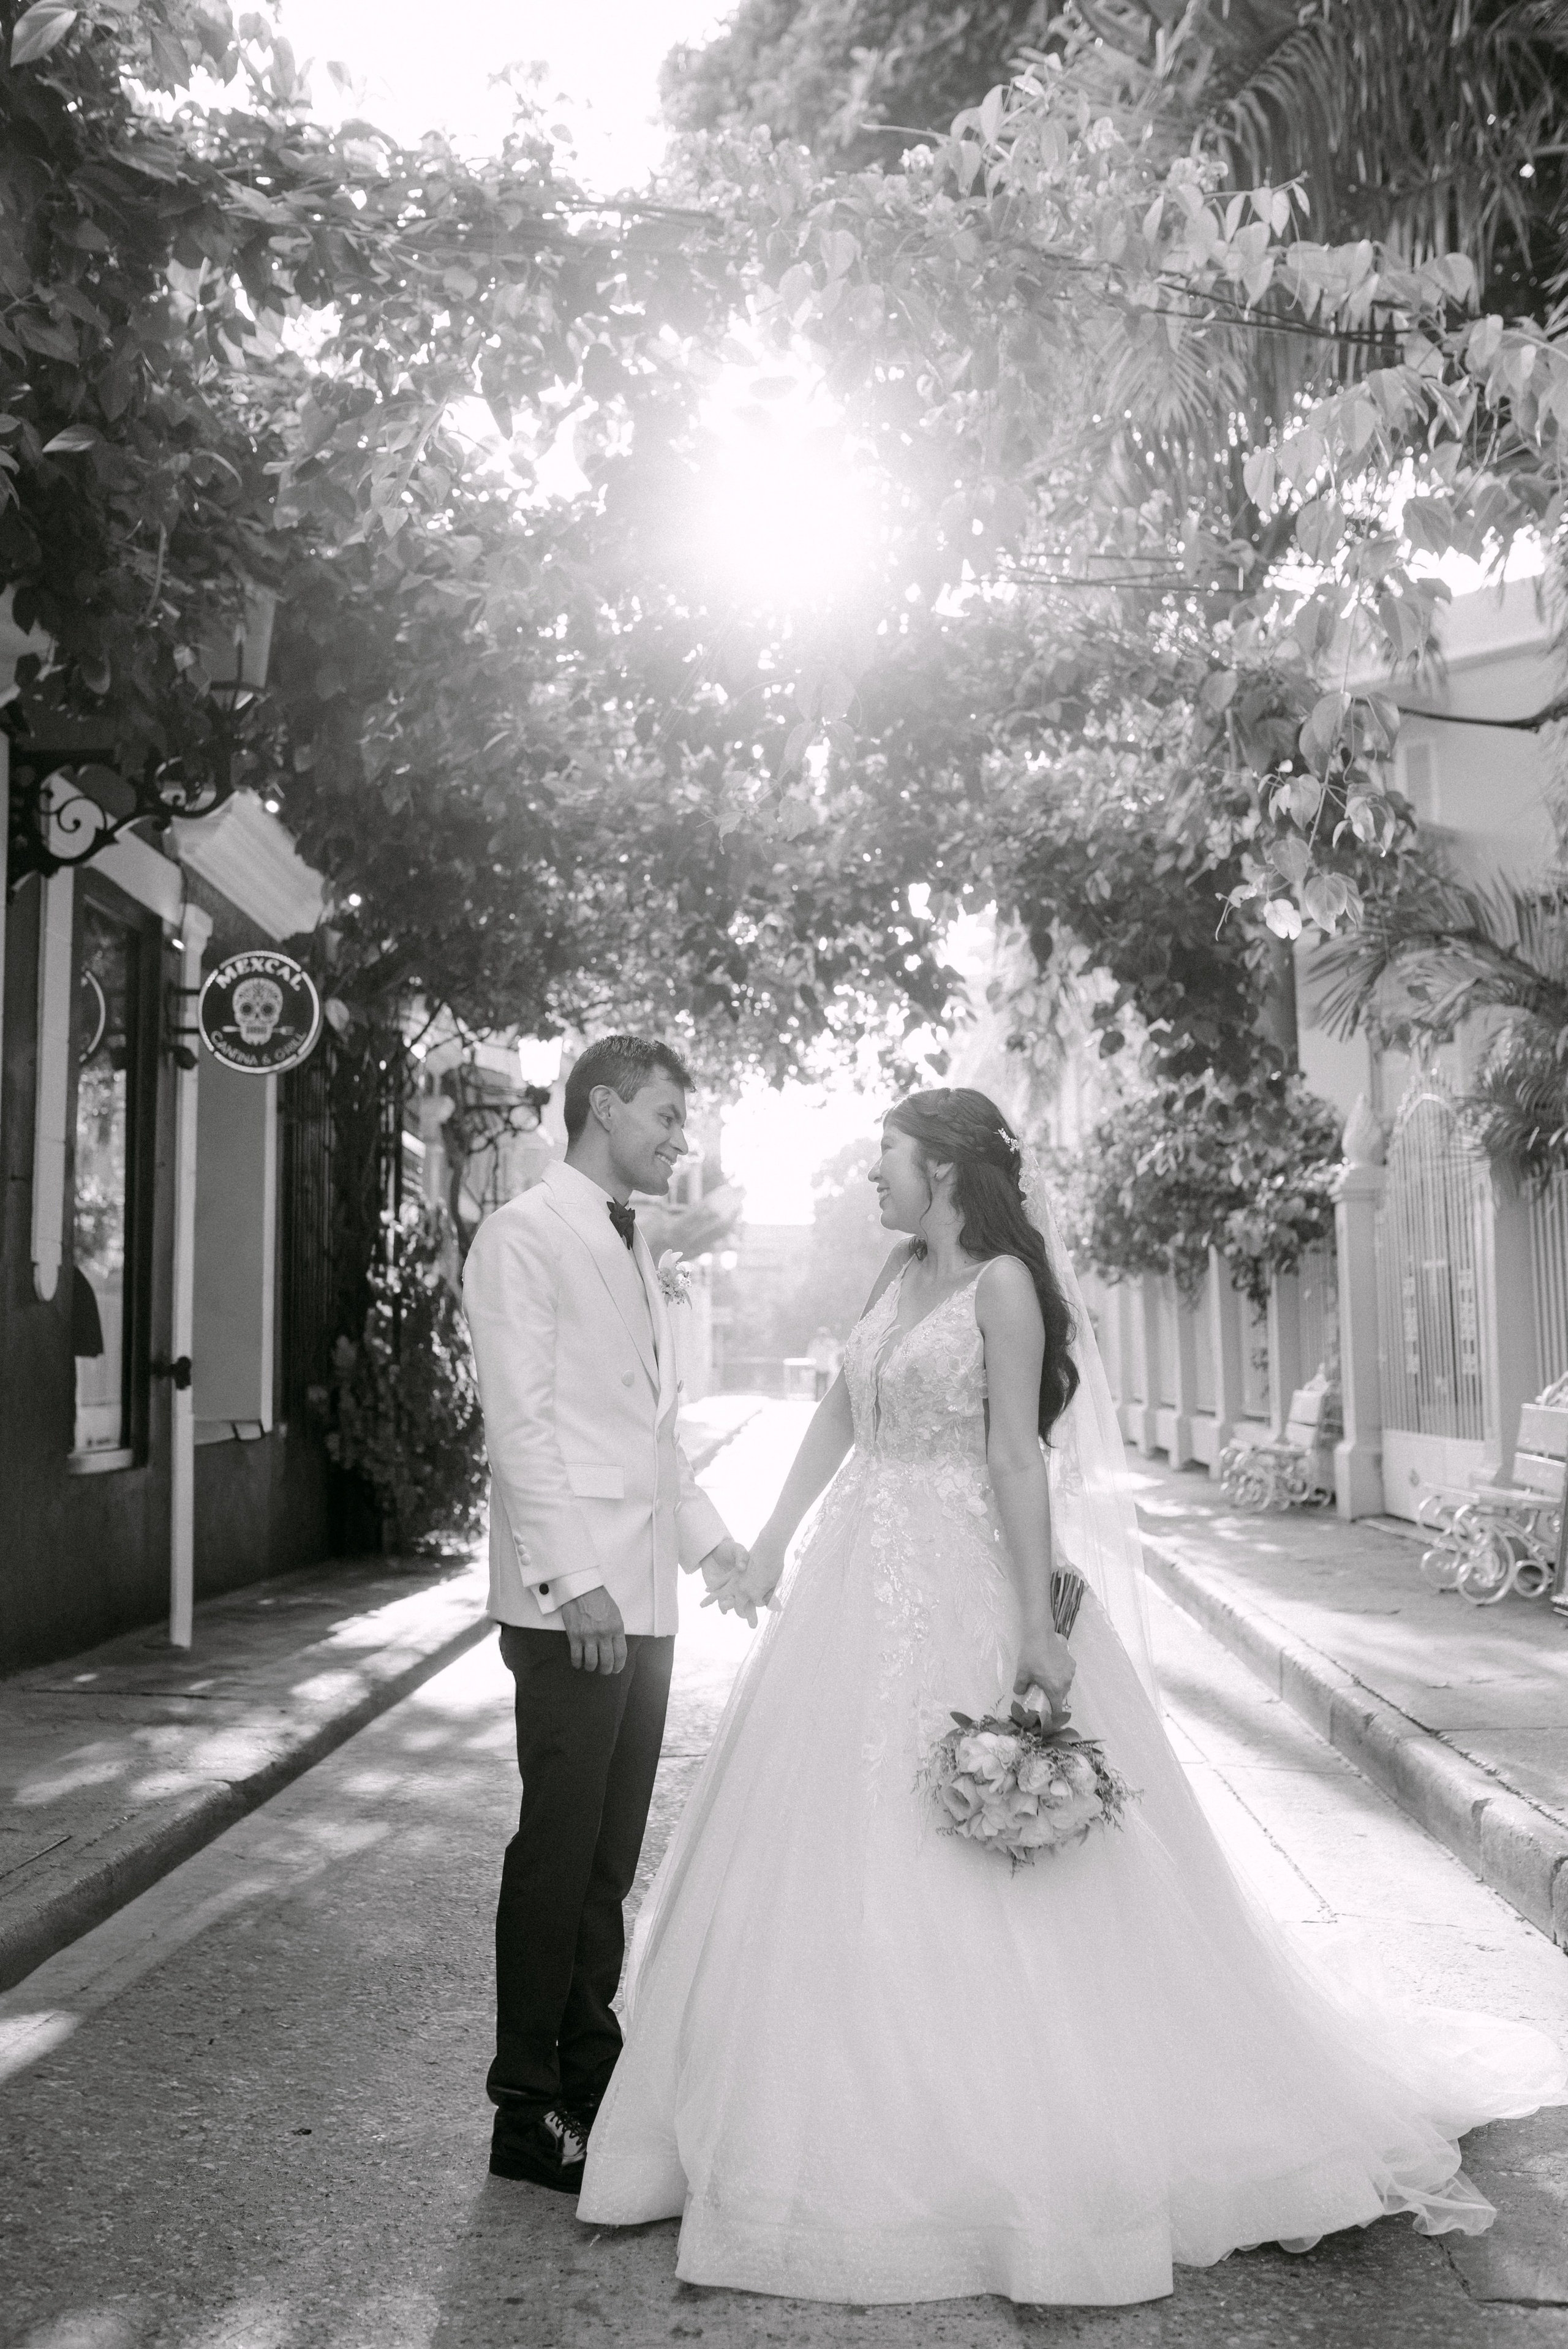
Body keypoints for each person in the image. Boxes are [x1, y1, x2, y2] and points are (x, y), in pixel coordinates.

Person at [577, 1085, 1567, 2306]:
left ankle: (1002, 2137)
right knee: (825, 1829)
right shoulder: (894, 1275)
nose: (869, 1179)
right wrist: (771, 1541)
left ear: (942, 1167)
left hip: (954, 1567)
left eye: (884, 1158)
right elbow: (840, 1406)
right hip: (851, 1572)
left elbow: (1009, 1454)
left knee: (975, 1836)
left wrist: (1033, 1627)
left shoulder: (999, 1286)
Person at [462, 1034, 750, 2195]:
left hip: (645, 1601)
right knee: (558, 1849)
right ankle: (524, 2107)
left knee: (609, 1857)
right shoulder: (524, 1235)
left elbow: (648, 1434)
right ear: (602, 1108)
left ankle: (593, 2075)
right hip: (573, 1602)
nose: (680, 1139)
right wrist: (571, 1580)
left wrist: (718, 1548)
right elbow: (521, 1426)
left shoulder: (634, 1246)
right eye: (667, 1117)